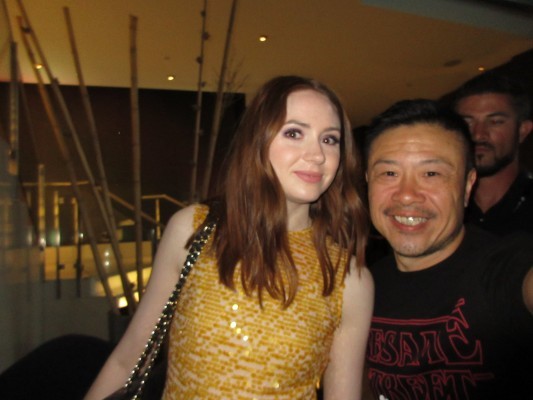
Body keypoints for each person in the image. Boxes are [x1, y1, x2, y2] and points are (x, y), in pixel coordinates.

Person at [84, 76, 374, 400]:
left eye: (330, 139)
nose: (317, 154)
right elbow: (128, 359)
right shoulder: (193, 230)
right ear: (257, 141)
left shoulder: (350, 280)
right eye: (294, 133)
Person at [363, 99, 533, 399]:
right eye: (389, 174)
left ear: (467, 186)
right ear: (368, 183)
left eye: (432, 174)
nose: (406, 195)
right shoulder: (364, 285)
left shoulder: (505, 265)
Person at [450, 72, 533, 235]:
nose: (478, 134)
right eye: (467, 122)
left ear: (523, 131)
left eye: (495, 122)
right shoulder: (442, 205)